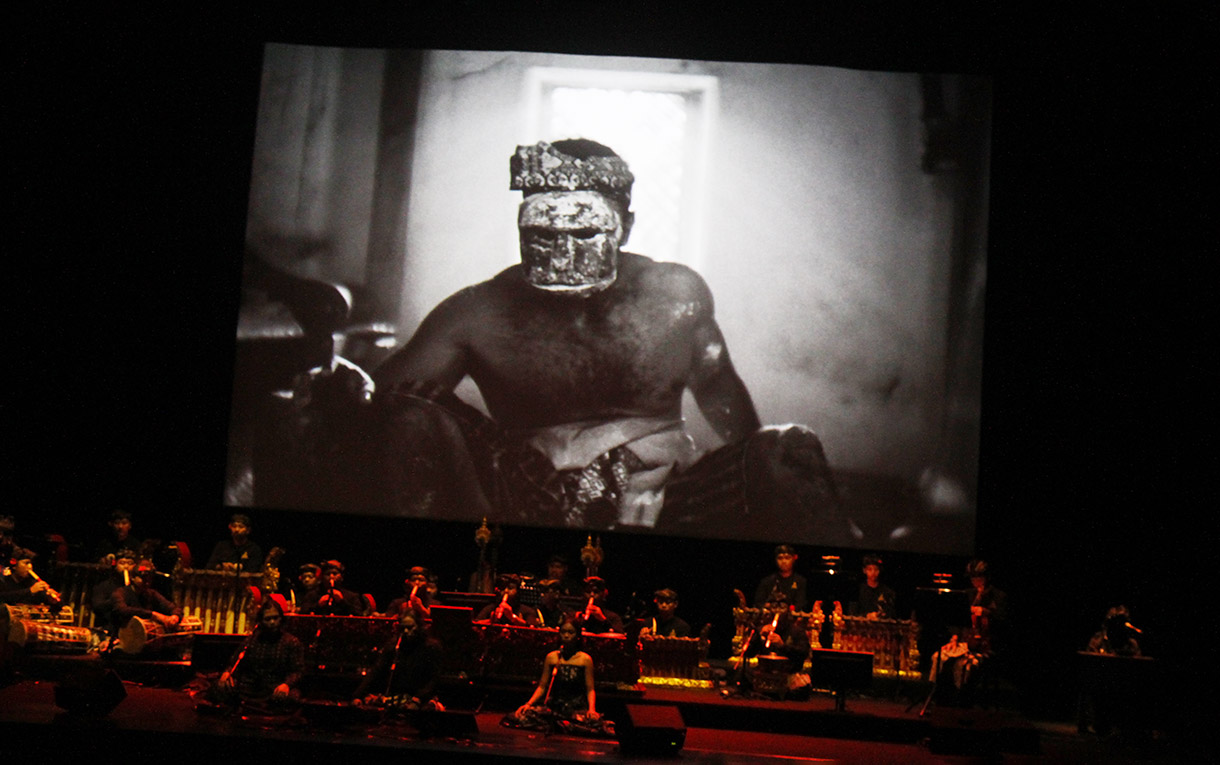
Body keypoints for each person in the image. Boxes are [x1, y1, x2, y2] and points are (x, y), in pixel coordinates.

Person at [350, 139, 838, 538]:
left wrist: (750, 473)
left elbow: (716, 386)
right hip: (521, 492)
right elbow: (384, 396)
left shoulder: (674, 292)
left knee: (788, 449)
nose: (563, 255)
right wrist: (346, 383)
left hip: (662, 490)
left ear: (625, 227)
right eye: (542, 235)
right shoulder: (477, 309)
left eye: (584, 234)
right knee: (408, 416)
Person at [506, 619, 613, 736]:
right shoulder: (552, 657)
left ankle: (566, 725)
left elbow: (590, 689)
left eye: (570, 632)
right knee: (518, 716)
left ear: (577, 636)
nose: (566, 636)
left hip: (576, 709)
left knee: (594, 724)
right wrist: (528, 704)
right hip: (554, 708)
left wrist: (592, 709)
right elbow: (542, 686)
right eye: (563, 632)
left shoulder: (585, 659)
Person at [208, 595, 304, 710]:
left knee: (292, 698)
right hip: (249, 687)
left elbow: (297, 671)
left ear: (281, 619)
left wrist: (286, 685)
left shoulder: (291, 642)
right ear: (261, 621)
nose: (272, 622)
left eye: (275, 618)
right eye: (268, 619)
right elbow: (235, 662)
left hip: (275, 688)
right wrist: (227, 673)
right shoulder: (252, 640)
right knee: (219, 687)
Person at [352, 609, 443, 711]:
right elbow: (376, 670)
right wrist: (357, 695)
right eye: (403, 628)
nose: (405, 632)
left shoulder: (431, 647)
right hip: (398, 697)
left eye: (409, 628)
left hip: (420, 698)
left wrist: (419, 698)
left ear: (419, 627)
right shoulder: (394, 646)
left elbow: (434, 678)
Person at [300, 560, 368, 616]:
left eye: (335, 573)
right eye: (328, 574)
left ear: (341, 577)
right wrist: (318, 605)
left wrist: (342, 602)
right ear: (322, 577)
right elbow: (302, 614)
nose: (331, 576)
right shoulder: (312, 595)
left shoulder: (352, 596)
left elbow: (359, 615)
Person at [753, 545, 808, 612]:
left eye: (787, 558)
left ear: (794, 558)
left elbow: (800, 604)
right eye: (780, 558)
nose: (784, 561)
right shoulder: (767, 581)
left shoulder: (800, 581)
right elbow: (759, 603)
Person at [851, 554, 897, 620]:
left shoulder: (887, 592)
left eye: (876, 569)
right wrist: (867, 616)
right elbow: (852, 613)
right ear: (864, 570)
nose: (873, 572)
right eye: (870, 569)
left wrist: (883, 615)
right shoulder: (858, 590)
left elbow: (892, 614)